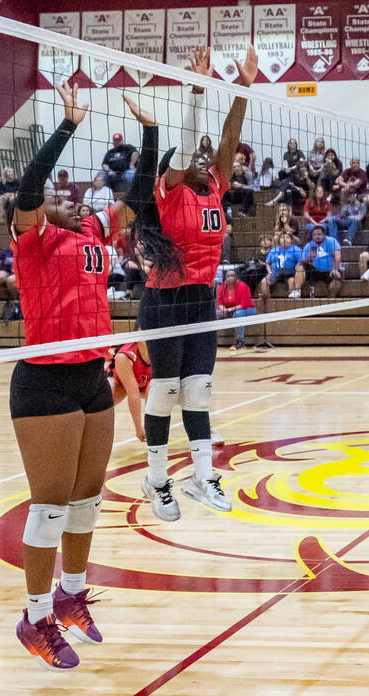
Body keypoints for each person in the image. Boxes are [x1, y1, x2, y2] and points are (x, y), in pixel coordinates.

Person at [8, 82, 152, 670]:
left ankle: (70, 596)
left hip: (91, 378)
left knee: (87, 502)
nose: (68, 200)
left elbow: (138, 199)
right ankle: (36, 616)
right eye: (55, 200)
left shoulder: (93, 233)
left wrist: (149, 131)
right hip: (44, 380)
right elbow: (29, 186)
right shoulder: (32, 240)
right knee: (50, 505)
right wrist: (67, 124)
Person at [136, 46, 256, 522]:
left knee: (199, 389)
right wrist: (197, 93)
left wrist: (242, 89)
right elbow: (188, 145)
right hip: (164, 300)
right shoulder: (171, 192)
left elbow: (229, 137)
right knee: (165, 390)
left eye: (210, 155)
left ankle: (202, 477)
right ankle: (157, 480)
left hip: (200, 299)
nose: (207, 157)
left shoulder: (216, 189)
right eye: (197, 155)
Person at [107, 341, 152, 442]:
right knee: (104, 403)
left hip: (146, 384)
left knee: (155, 388)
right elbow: (133, 392)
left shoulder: (162, 349)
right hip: (120, 383)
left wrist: (148, 425)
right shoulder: (125, 355)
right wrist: (138, 429)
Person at [217, 269, 256, 351]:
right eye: (228, 276)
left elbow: (243, 304)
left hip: (248, 309)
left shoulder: (243, 286)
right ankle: (212, 341)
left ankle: (240, 342)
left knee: (237, 314)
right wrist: (223, 310)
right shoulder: (222, 287)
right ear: (225, 278)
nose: (230, 278)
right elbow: (220, 303)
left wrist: (229, 310)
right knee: (216, 313)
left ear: (236, 277)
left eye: (232, 276)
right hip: (230, 310)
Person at [300, 224, 343, 298]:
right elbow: (303, 260)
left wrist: (335, 269)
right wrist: (308, 259)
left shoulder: (331, 241)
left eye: (319, 234)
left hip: (331, 270)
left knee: (336, 282)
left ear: (324, 235)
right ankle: (308, 294)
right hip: (315, 272)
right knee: (301, 267)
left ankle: (330, 298)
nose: (317, 236)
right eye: (314, 235)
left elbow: (337, 255)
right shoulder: (309, 245)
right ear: (312, 236)